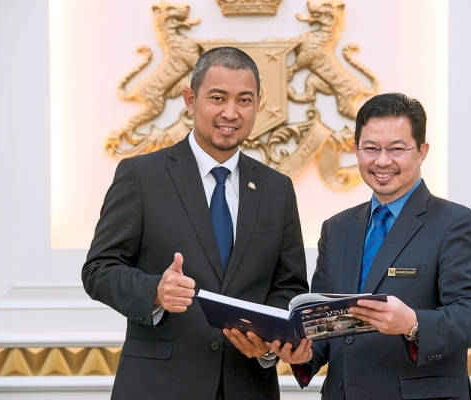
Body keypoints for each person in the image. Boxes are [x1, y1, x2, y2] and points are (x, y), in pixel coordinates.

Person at [82, 46, 309, 400]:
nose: (230, 112)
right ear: (190, 100)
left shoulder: (277, 189)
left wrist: (267, 342)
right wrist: (154, 291)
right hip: (158, 387)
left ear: (258, 104)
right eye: (217, 98)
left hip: (248, 385)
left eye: (244, 100)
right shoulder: (141, 176)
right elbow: (99, 269)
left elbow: (289, 285)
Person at [271, 93, 471, 399]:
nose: (382, 161)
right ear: (356, 150)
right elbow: (325, 324)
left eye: (397, 149)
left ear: (421, 152)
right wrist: (303, 352)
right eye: (371, 148)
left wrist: (413, 323)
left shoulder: (457, 223)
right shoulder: (337, 228)